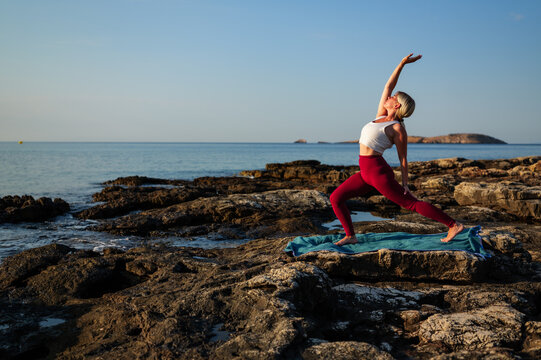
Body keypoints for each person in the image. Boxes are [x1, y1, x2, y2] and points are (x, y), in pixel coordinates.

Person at [330, 53, 464, 246]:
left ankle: (453, 225)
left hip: (378, 172)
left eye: (393, 97)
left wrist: (405, 183)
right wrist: (402, 64)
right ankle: (350, 235)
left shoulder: (397, 128)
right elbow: (388, 86)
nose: (389, 96)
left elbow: (403, 159)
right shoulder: (379, 116)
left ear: (397, 104)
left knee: (411, 203)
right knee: (336, 198)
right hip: (365, 172)